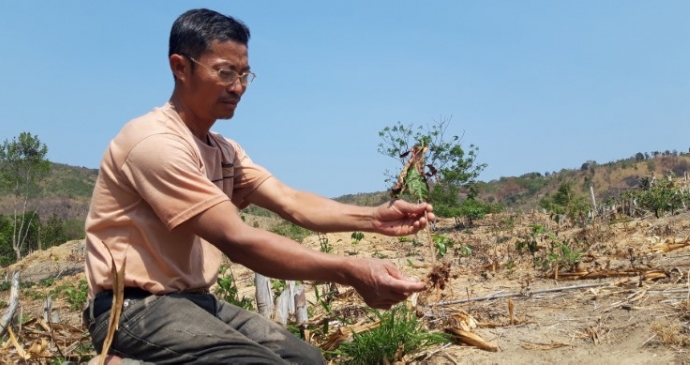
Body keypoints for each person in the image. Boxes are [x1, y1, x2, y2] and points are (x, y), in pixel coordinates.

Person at [83, 8, 433, 364]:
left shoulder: (223, 150)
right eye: (224, 73)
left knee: (307, 360)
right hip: (131, 311)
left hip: (194, 302)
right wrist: (349, 271)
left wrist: (373, 218)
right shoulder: (154, 142)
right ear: (180, 67)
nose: (238, 87)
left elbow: (291, 201)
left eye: (244, 74)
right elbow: (239, 241)